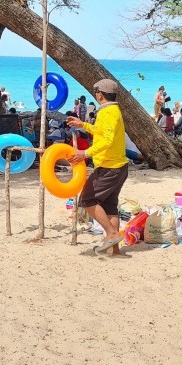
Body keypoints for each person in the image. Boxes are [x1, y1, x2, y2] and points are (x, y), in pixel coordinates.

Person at [67, 79, 129, 256]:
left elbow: (107, 140)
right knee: (110, 207)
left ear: (99, 95)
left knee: (87, 200)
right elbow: (102, 132)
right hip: (119, 167)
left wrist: (85, 154)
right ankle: (115, 249)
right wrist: (83, 125)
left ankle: (111, 234)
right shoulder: (112, 110)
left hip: (110, 167)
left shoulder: (108, 112)